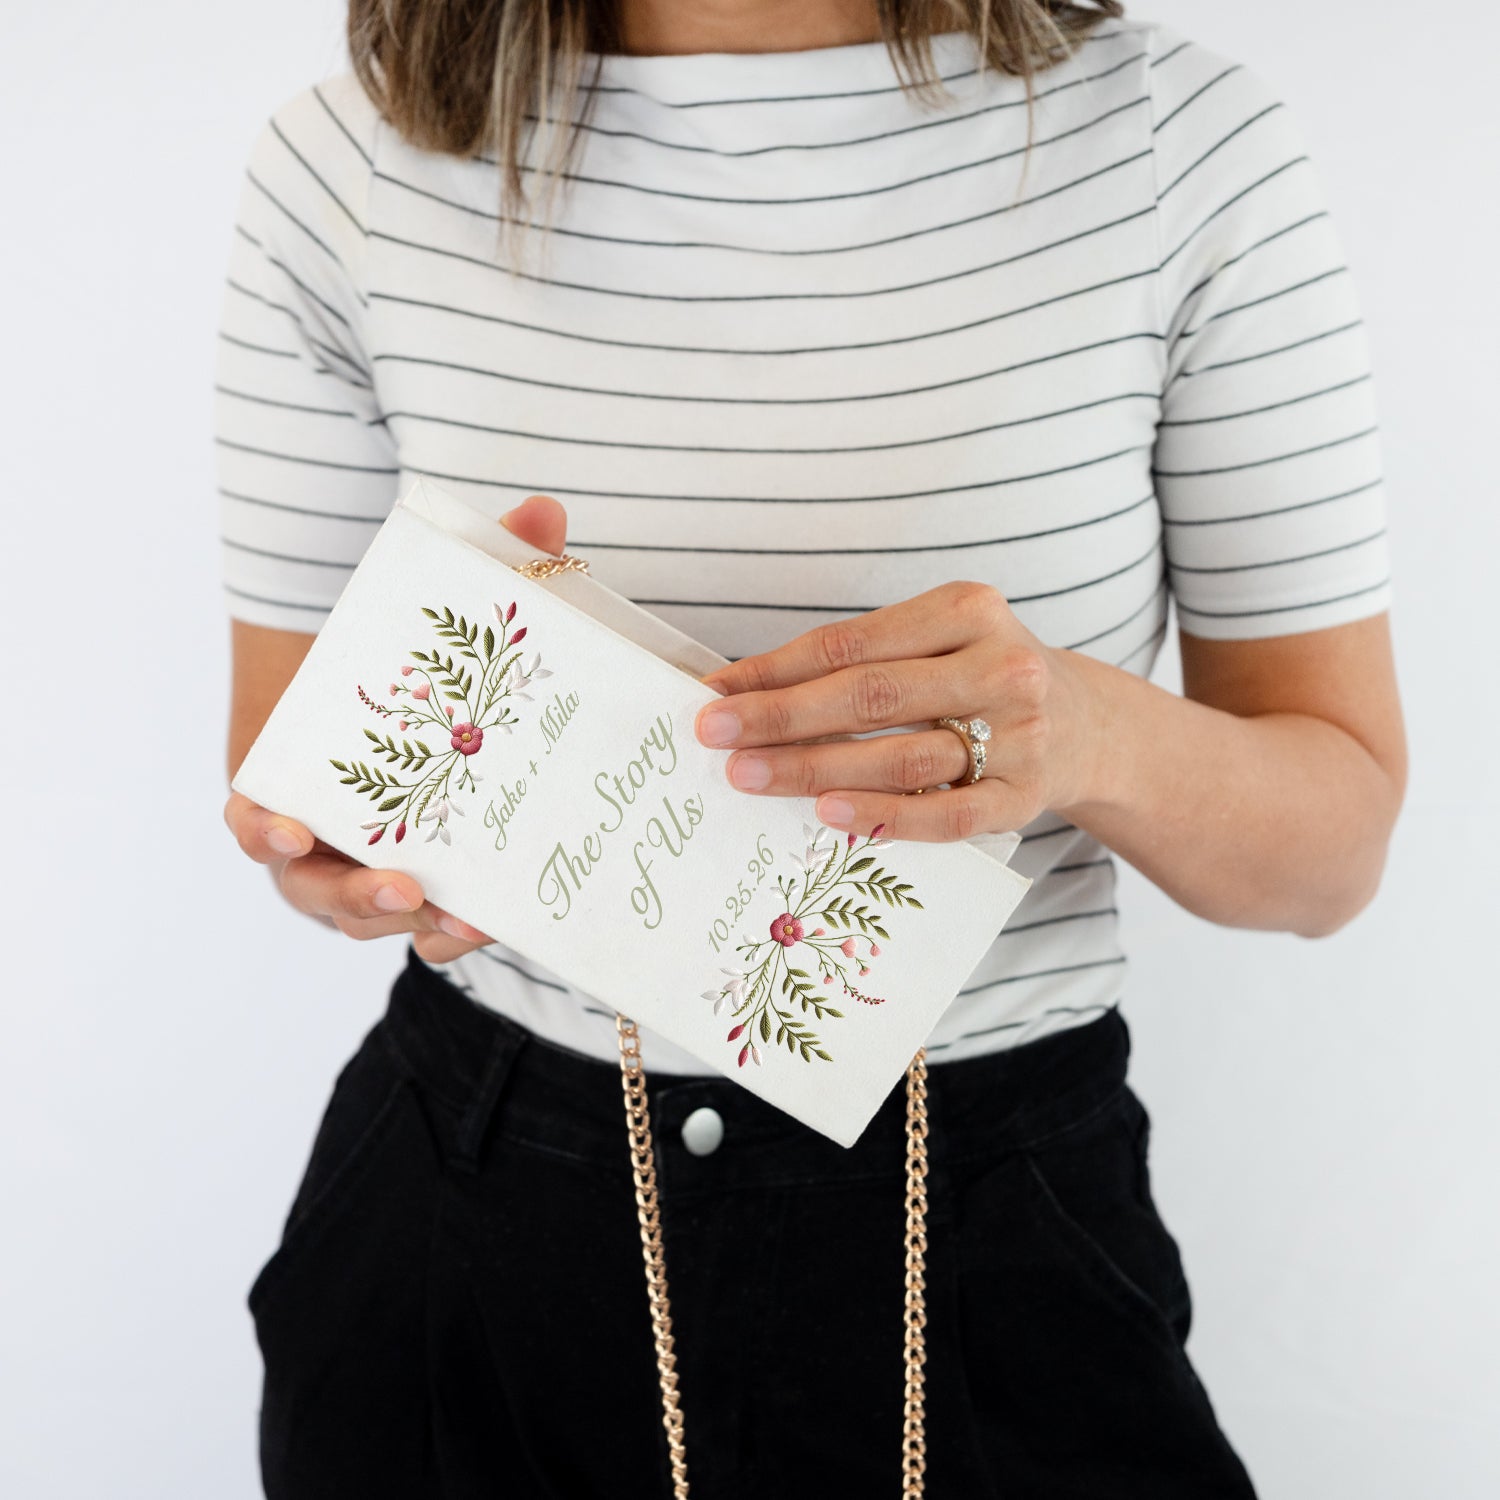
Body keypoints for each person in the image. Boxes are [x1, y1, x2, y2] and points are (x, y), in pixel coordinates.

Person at [218, 2, 1406, 1495]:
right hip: (472, 1206)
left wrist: (1087, 728)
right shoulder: (351, 164)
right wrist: (341, 859)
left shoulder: (1183, 150)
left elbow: (1335, 849)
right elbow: (290, 783)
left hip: (981, 1217)